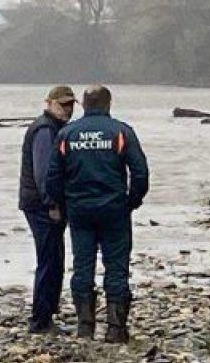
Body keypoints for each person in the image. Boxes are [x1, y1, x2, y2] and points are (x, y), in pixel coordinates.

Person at [46, 85, 149, 343]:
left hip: (80, 211)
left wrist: (63, 202)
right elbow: (140, 172)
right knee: (116, 266)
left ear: (83, 104)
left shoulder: (67, 135)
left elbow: (53, 177)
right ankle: (115, 328)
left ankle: (85, 326)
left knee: (82, 266)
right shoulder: (122, 132)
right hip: (114, 209)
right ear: (108, 104)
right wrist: (131, 202)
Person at [18, 85, 77, 334]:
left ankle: (47, 313)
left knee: (55, 258)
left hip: (46, 203)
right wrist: (52, 203)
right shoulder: (44, 129)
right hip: (41, 206)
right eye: (63, 104)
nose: (67, 109)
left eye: (71, 104)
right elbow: (43, 173)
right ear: (49, 103)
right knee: (49, 260)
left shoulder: (57, 128)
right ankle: (40, 319)